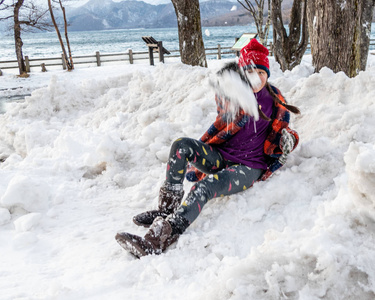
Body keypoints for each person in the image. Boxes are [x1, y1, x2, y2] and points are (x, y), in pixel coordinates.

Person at [115, 38, 300, 258]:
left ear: (267, 74)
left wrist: (289, 139)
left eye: (261, 72)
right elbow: (223, 105)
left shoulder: (276, 100)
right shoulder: (234, 94)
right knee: (180, 146)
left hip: (249, 166)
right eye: (250, 72)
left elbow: (286, 132)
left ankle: (162, 237)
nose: (257, 78)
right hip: (222, 156)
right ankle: (167, 209)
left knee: (205, 187)